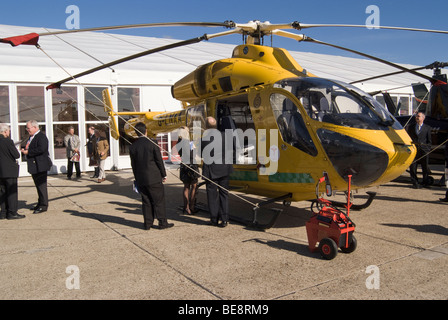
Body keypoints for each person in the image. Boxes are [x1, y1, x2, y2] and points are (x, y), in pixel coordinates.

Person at [129, 122, 174, 230]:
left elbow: (133, 165)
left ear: (136, 133)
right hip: (154, 177)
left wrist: (137, 178)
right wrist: (163, 174)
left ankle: (147, 223)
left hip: (141, 178)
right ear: (146, 131)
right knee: (158, 201)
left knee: (146, 201)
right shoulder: (152, 143)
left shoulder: (133, 146)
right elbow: (159, 160)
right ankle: (162, 222)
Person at [201, 116, 233, 227]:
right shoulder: (226, 136)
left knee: (212, 196)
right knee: (224, 195)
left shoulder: (204, 139)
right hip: (225, 169)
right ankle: (224, 219)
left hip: (212, 171)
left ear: (206, 126)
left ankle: (214, 219)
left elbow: (202, 154)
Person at [21, 120, 52, 214]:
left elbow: (42, 149)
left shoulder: (41, 136)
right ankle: (40, 203)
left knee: (42, 186)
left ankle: (43, 205)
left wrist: (28, 152)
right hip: (35, 165)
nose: (27, 130)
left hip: (40, 165)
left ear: (35, 127)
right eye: (26, 128)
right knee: (38, 186)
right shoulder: (32, 137)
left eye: (28, 128)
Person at [0, 123, 24, 220]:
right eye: (8, 131)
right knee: (12, 192)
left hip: (0, 171)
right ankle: (12, 212)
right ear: (5, 132)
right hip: (10, 170)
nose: (9, 133)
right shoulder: (8, 141)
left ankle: (3, 212)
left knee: (2, 192)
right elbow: (16, 155)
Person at [177, 126, 200, 215]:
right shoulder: (188, 142)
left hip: (184, 166)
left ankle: (186, 207)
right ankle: (192, 207)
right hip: (191, 166)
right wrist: (194, 149)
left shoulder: (179, 143)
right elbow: (192, 155)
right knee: (194, 186)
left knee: (186, 187)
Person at [407, 112, 432, 189]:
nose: (417, 117)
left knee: (425, 167)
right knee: (413, 166)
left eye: (418, 116)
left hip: (424, 150)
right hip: (414, 150)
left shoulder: (427, 128)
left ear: (423, 118)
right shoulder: (411, 127)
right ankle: (415, 182)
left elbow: (429, 141)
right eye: (416, 116)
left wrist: (427, 150)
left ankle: (425, 182)